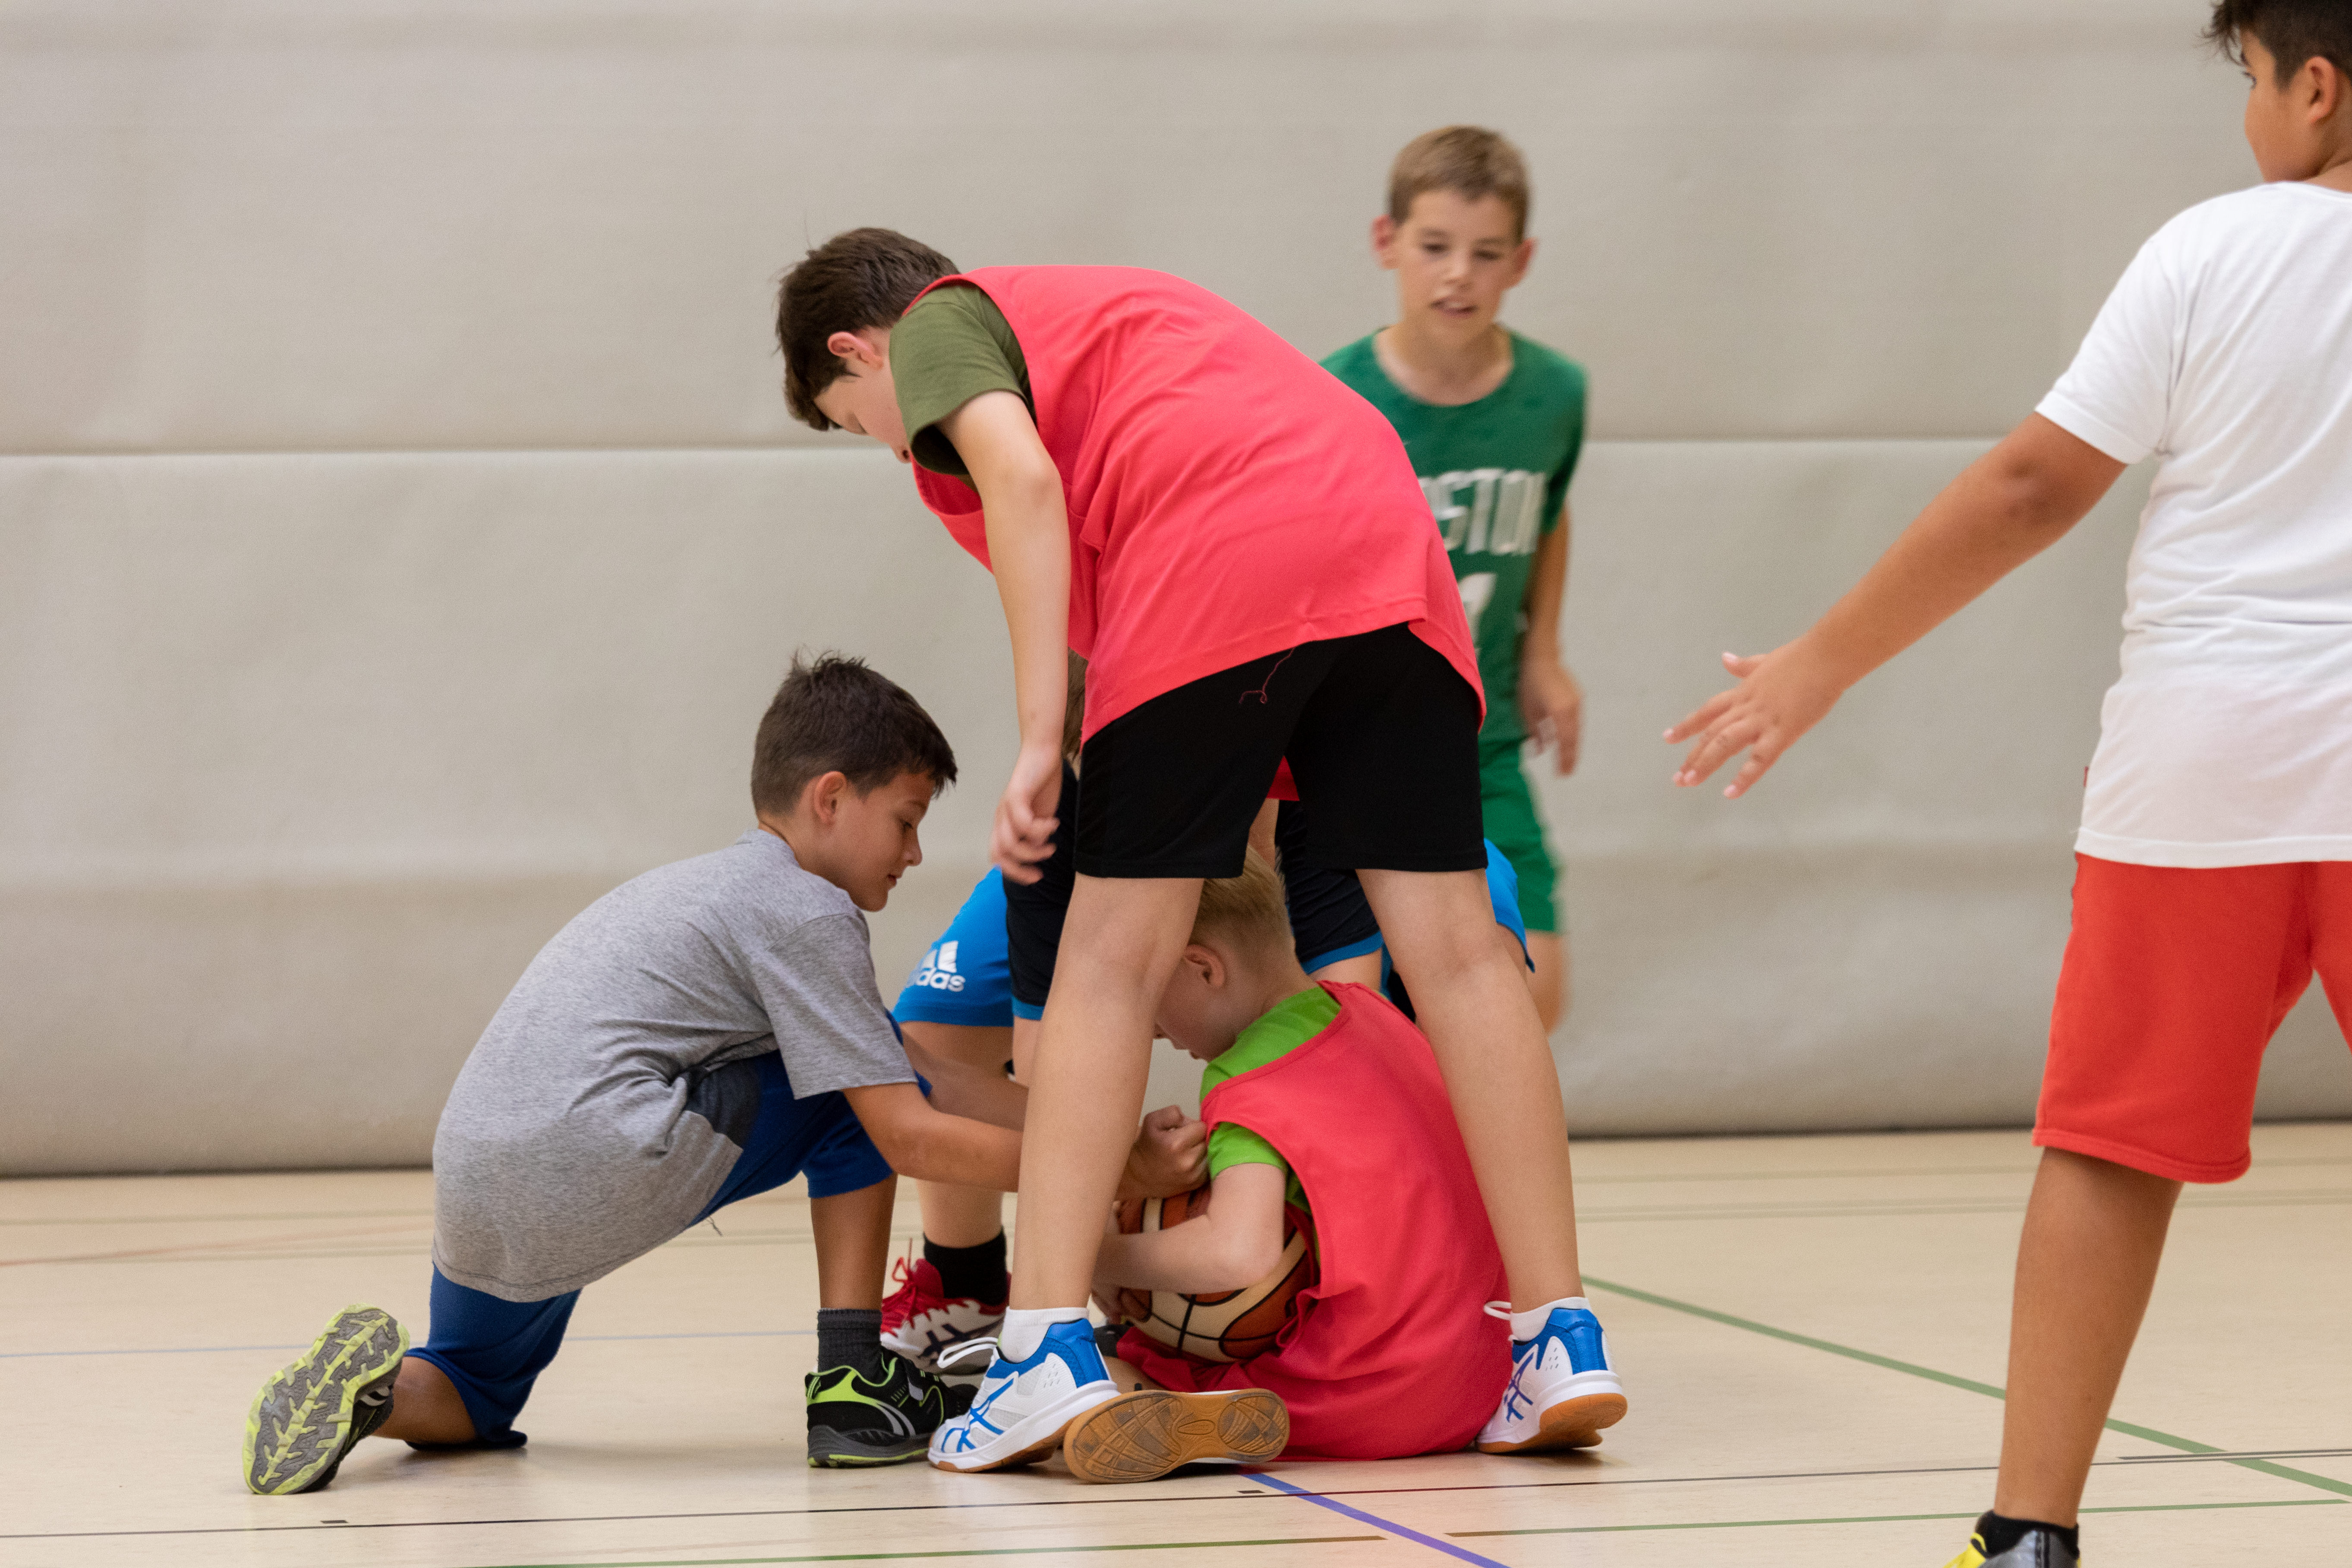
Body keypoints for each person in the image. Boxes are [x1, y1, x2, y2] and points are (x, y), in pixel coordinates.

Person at [1664, 7, 2352, 1563]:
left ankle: (2029, 1531)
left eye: (2251, 79)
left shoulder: (2214, 248)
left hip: (2205, 776)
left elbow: (2035, 484)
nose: (2249, 112)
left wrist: (1822, 660)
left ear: (2315, 88)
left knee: (2113, 1145)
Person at [775, 231, 1625, 1472]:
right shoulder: (1125, 325)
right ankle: (1556, 1334)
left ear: (858, 350)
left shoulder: (950, 320)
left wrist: (1037, 738)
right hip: (1388, 555)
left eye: (863, 423)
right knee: (1461, 957)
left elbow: (1023, 485)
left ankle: (1042, 1347)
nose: (899, 448)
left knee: (1110, 964)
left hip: (1221, 560)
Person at [239, 655, 1200, 1493]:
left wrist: (1102, 1133)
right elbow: (906, 1128)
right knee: (850, 1105)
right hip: (597, 1144)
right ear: (830, 798)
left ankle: (370, 1395)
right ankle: (853, 1383)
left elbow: (925, 1071)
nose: (914, 852)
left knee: (468, 1389)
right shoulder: (806, 911)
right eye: (905, 821)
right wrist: (1110, 1170)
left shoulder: (711, 887)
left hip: (479, 1170)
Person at [1063, 852, 1533, 1484]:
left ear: (1202, 967)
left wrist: (1096, 1259)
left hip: (1357, 1396)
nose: (1148, 1029)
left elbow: (1237, 1253)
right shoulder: (1374, 1013)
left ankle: (1192, 1411)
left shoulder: (1243, 1078)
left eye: (1144, 991)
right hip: (1477, 1385)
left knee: (1093, 1368)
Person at [1323, 125, 1587, 1032]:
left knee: (1533, 989)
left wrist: (1543, 652)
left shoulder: (1554, 394)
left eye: (1485, 253)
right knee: (1366, 1001)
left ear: (1521, 260)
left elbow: (1546, 513)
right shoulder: (1335, 397)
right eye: (1434, 247)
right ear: (1386, 241)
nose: (1457, 275)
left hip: (1483, 741)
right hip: (1358, 750)